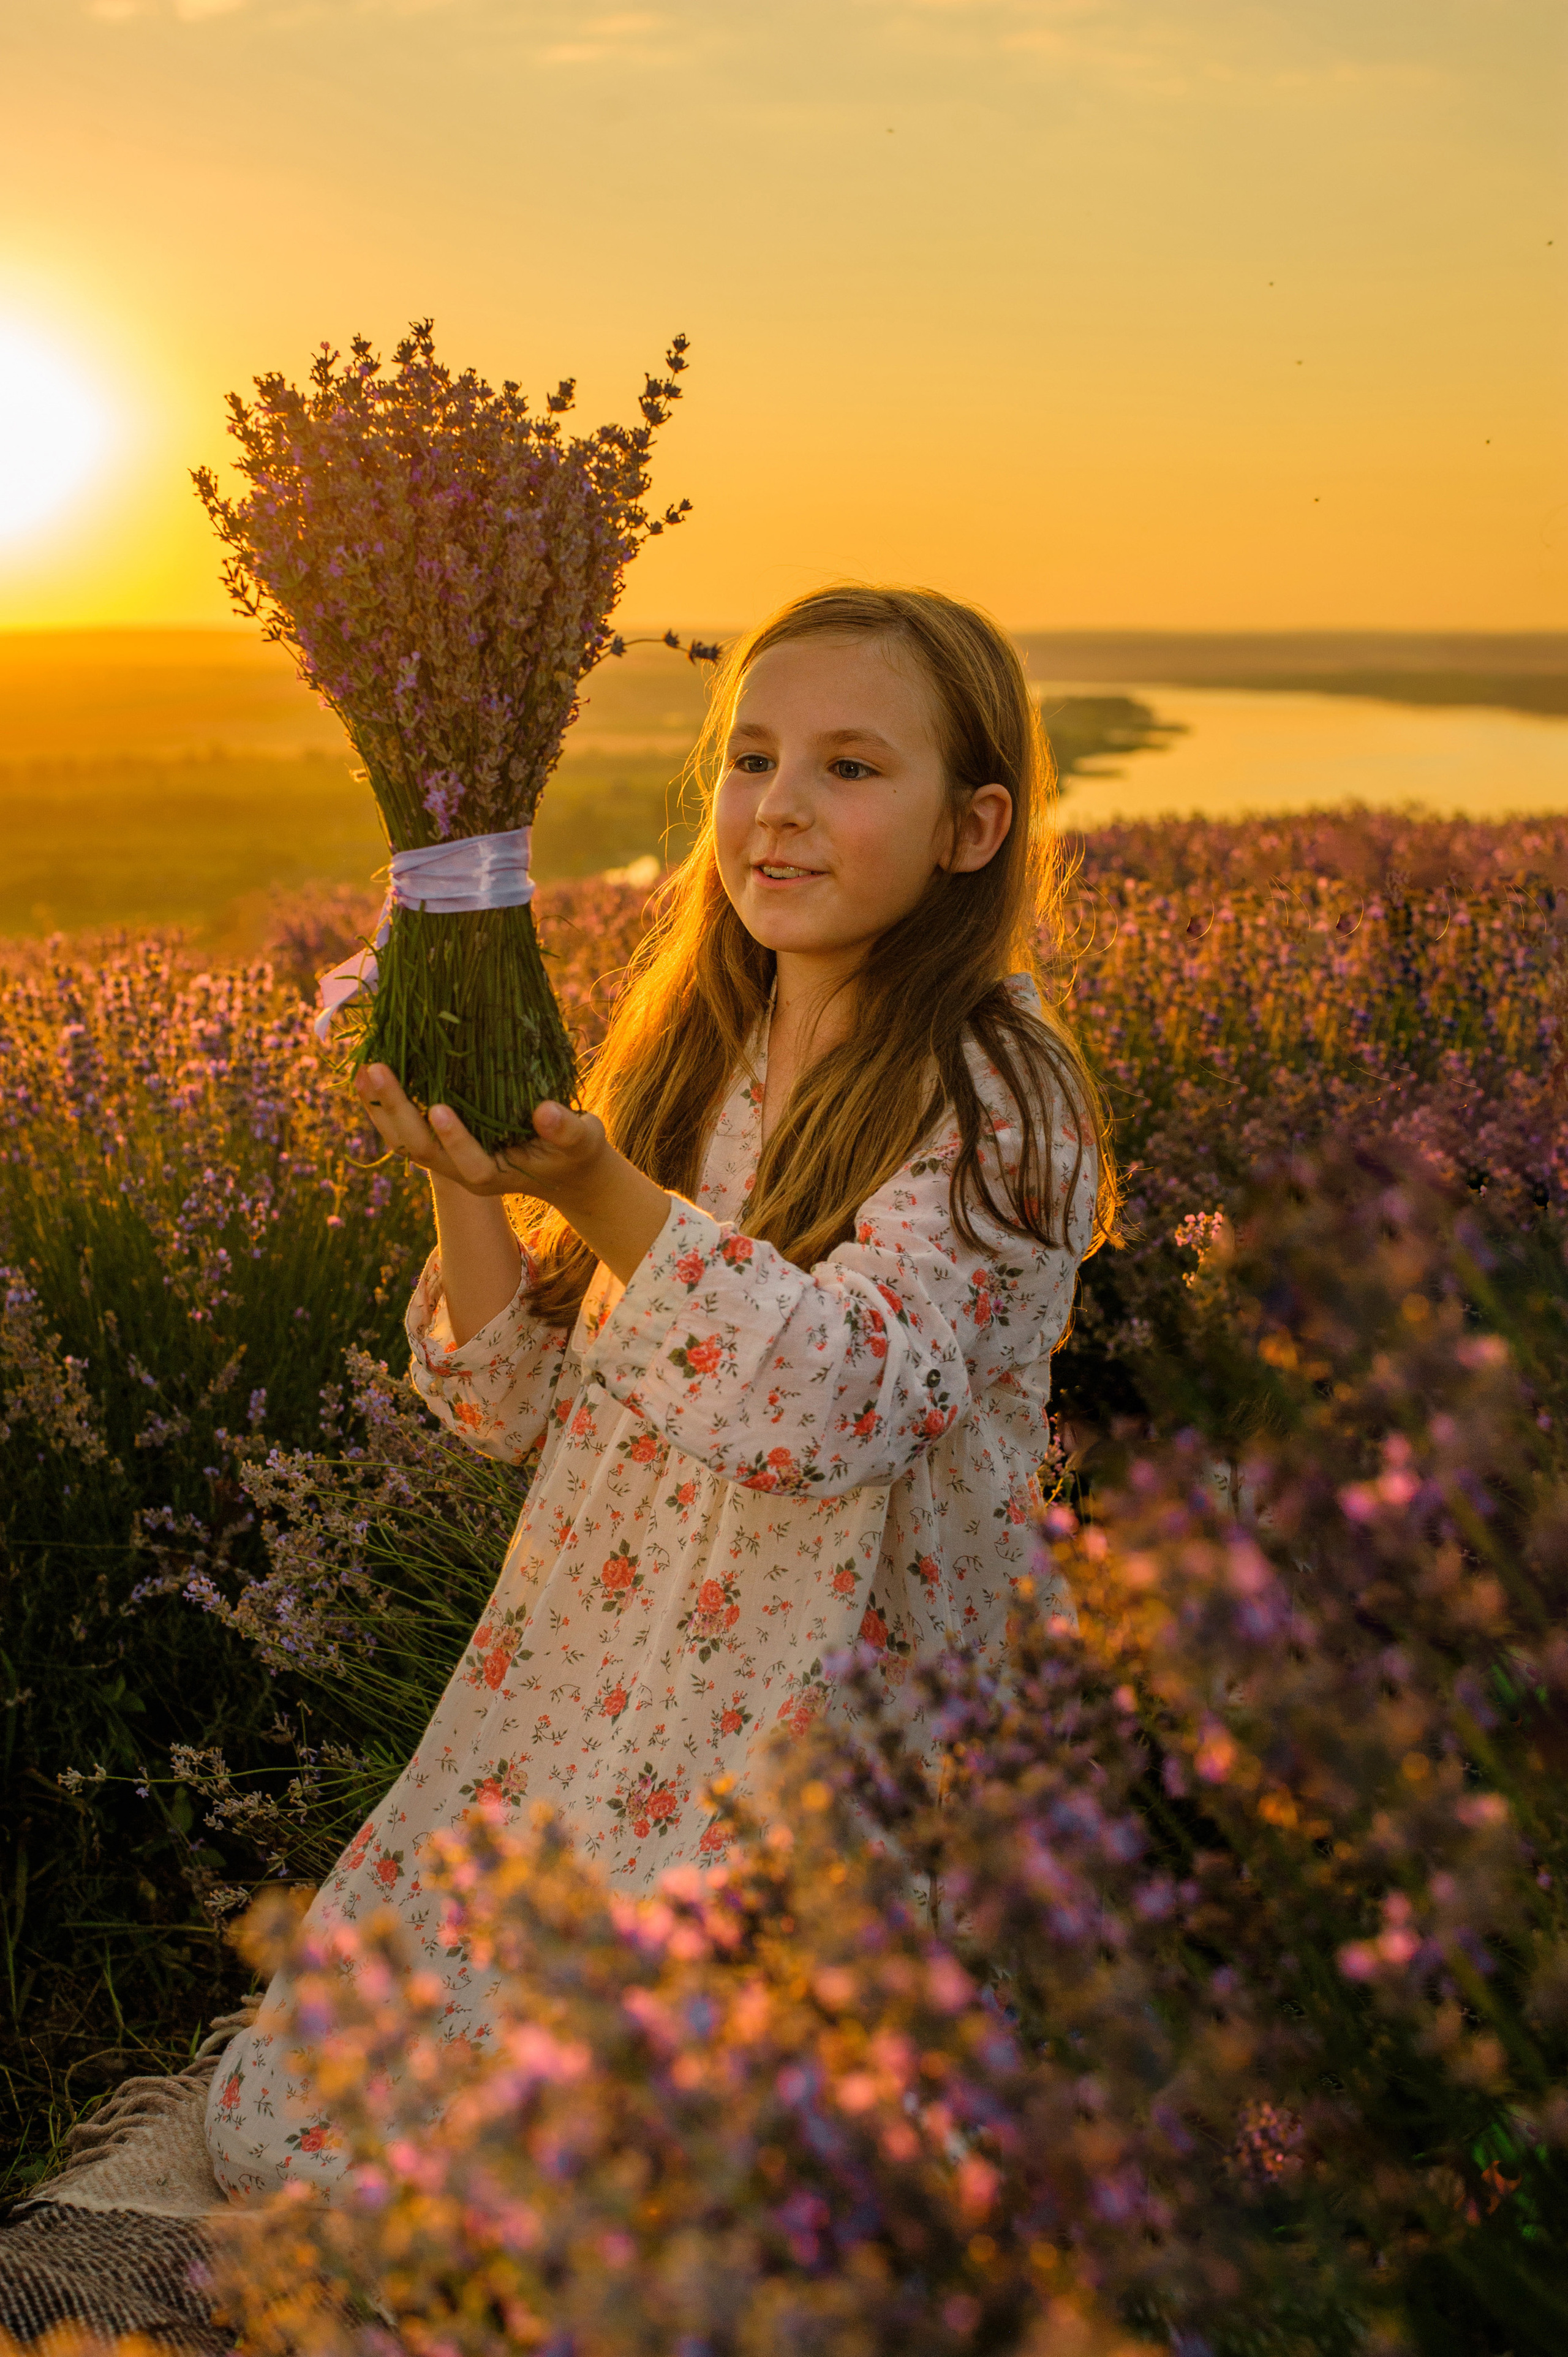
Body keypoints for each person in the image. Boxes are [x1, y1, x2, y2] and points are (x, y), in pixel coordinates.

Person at [205, 582, 1116, 2198]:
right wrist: (464, 1174)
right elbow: (515, 1404)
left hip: (838, 1717)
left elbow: (841, 1410)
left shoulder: (999, 1087)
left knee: (667, 2188)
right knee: (313, 2123)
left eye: (848, 768)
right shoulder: (707, 1047)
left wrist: (614, 1191)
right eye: (750, 759)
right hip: (612, 1693)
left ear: (973, 829)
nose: (775, 809)